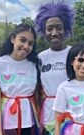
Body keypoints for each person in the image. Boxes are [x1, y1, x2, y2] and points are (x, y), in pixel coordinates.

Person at [0, 23, 40, 135]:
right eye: (22, 40)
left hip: (30, 124)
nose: (26, 46)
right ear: (12, 39)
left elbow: (37, 97)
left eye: (30, 43)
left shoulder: (34, 65)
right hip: (7, 123)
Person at [34, 1, 74, 135]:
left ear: (66, 29)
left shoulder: (75, 54)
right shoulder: (40, 58)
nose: (54, 33)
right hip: (48, 118)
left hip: (73, 116)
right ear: (43, 31)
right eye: (49, 28)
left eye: (59, 28)